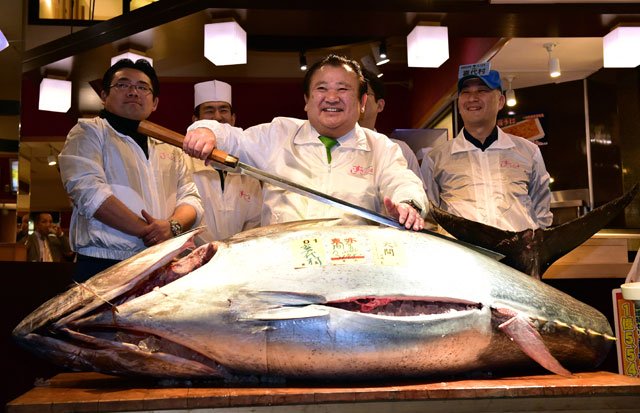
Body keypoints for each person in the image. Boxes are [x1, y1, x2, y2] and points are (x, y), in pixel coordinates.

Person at [183, 54, 427, 231]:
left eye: (343, 89)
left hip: (353, 264)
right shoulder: (278, 133)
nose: (331, 97)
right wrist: (205, 130)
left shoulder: (381, 147)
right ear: (307, 100)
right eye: (321, 89)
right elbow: (233, 137)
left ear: (363, 102)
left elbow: (402, 180)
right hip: (284, 266)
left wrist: (408, 204)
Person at [59, 58, 204, 281]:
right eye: (123, 84)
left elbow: (191, 197)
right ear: (104, 96)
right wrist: (147, 231)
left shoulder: (169, 147)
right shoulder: (89, 131)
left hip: (161, 259)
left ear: (154, 102)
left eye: (142, 87)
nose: (133, 92)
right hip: (104, 261)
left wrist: (171, 227)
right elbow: (88, 191)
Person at [422, 68, 552, 232]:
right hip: (461, 254)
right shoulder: (436, 157)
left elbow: (541, 213)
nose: (472, 98)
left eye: (482, 90)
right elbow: (429, 218)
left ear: (500, 101)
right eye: (465, 92)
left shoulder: (528, 152)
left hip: (515, 254)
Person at [189, 80, 262, 242]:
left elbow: (255, 222)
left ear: (233, 119)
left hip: (236, 257)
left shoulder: (247, 167)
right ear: (196, 121)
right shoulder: (184, 162)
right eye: (209, 111)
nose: (217, 117)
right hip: (191, 257)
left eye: (223, 110)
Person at [358, 68, 424, 183]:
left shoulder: (399, 149)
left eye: (364, 93)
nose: (357, 98)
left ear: (380, 105)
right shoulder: (330, 145)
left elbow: (418, 195)